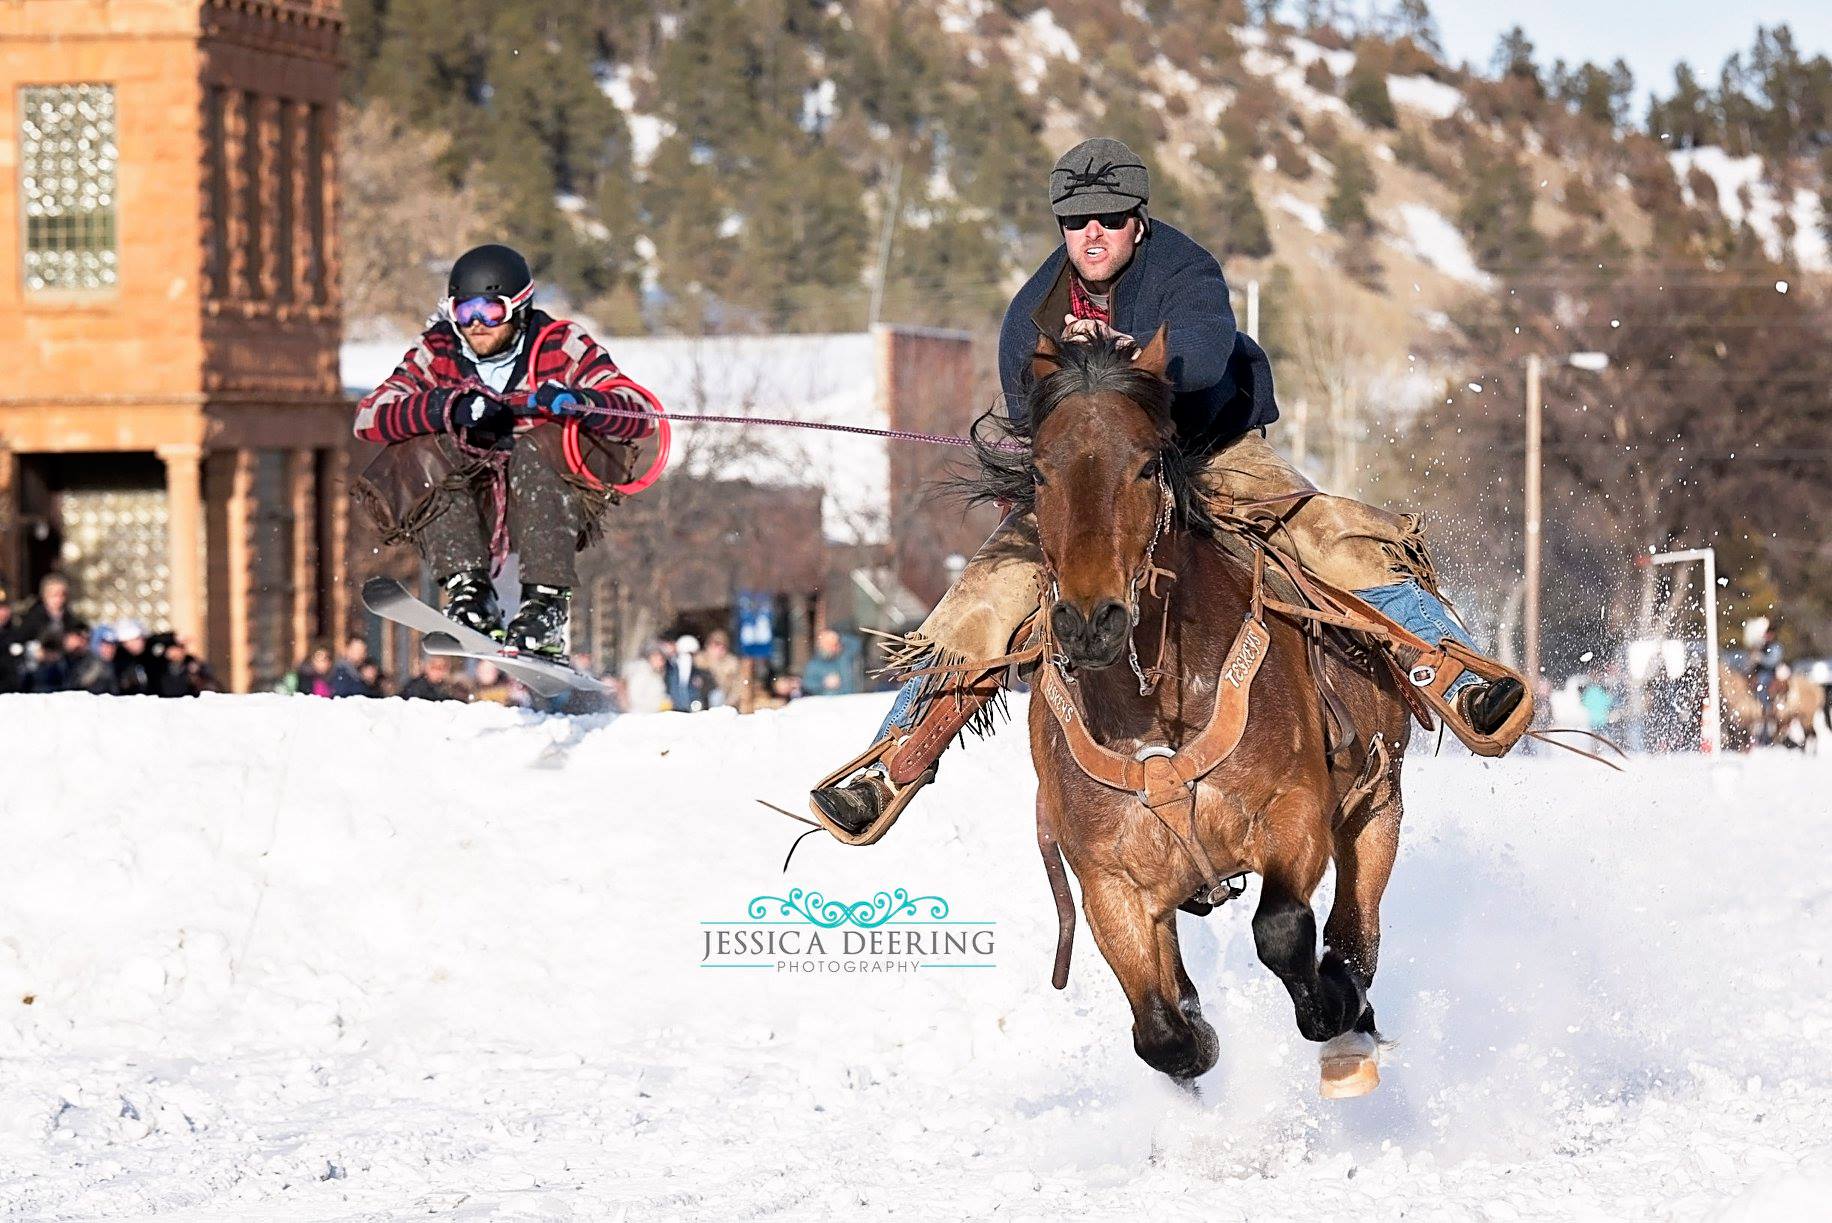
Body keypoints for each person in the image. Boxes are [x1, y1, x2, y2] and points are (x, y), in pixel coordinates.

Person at [810, 137, 1528, 838]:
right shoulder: (1030, 316)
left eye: (1110, 218)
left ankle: (1456, 672)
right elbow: (1036, 425)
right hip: (1096, 482)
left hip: (1209, 450)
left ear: (1138, 220)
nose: (1093, 233)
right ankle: (893, 758)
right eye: (1075, 220)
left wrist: (1153, 365)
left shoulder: (1186, 268)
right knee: (986, 590)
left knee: (1327, 534)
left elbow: (1210, 345)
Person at [353, 244, 657, 659]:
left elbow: (639, 412)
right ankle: (469, 592)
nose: (475, 325)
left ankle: (545, 603)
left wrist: (577, 400)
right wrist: (446, 406)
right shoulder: (439, 350)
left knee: (539, 444)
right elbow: (369, 415)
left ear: (518, 307)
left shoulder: (559, 344)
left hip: (551, 496)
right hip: (471, 500)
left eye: (489, 312)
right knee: (421, 440)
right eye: (463, 311)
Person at [16, 573, 88, 645]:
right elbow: (22, 641)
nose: (59, 599)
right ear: (45, 596)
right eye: (55, 595)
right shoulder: (33, 618)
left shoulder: (71, 618)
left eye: (63, 595)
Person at [799, 628, 857, 697]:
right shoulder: (814, 664)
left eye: (835, 644)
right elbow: (808, 684)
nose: (833, 648)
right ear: (821, 646)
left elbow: (856, 643)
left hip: (850, 698)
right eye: (829, 644)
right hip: (828, 702)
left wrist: (838, 636)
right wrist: (824, 683)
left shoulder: (844, 657)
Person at [666, 634, 714, 711]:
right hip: (675, 708)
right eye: (685, 654)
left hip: (694, 708)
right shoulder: (671, 669)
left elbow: (705, 690)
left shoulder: (701, 671)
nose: (688, 658)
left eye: (691, 654)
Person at [701, 629, 745, 708]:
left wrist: (728, 704)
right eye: (715, 645)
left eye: (722, 646)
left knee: (717, 696)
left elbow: (738, 687)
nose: (719, 649)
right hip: (700, 703)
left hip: (724, 703)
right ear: (708, 645)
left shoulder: (732, 664)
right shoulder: (699, 661)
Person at [620, 644, 669, 713]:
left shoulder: (656, 674)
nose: (662, 663)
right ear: (652, 657)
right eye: (660, 659)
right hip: (641, 715)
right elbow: (635, 698)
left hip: (654, 715)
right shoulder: (641, 673)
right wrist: (658, 705)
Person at [399, 654, 467, 702]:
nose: (439, 671)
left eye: (443, 667)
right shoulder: (415, 688)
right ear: (426, 667)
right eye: (434, 667)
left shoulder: (451, 688)